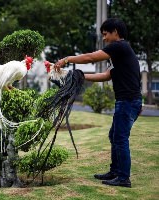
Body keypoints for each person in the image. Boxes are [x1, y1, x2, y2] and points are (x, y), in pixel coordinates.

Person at [54, 18, 142, 188]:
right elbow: (106, 76)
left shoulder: (119, 46)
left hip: (128, 102)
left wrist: (66, 59)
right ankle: (115, 171)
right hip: (127, 102)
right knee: (115, 136)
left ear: (115, 32)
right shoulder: (121, 52)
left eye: (105, 34)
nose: (104, 39)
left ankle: (124, 178)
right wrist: (80, 77)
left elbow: (90, 58)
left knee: (120, 139)